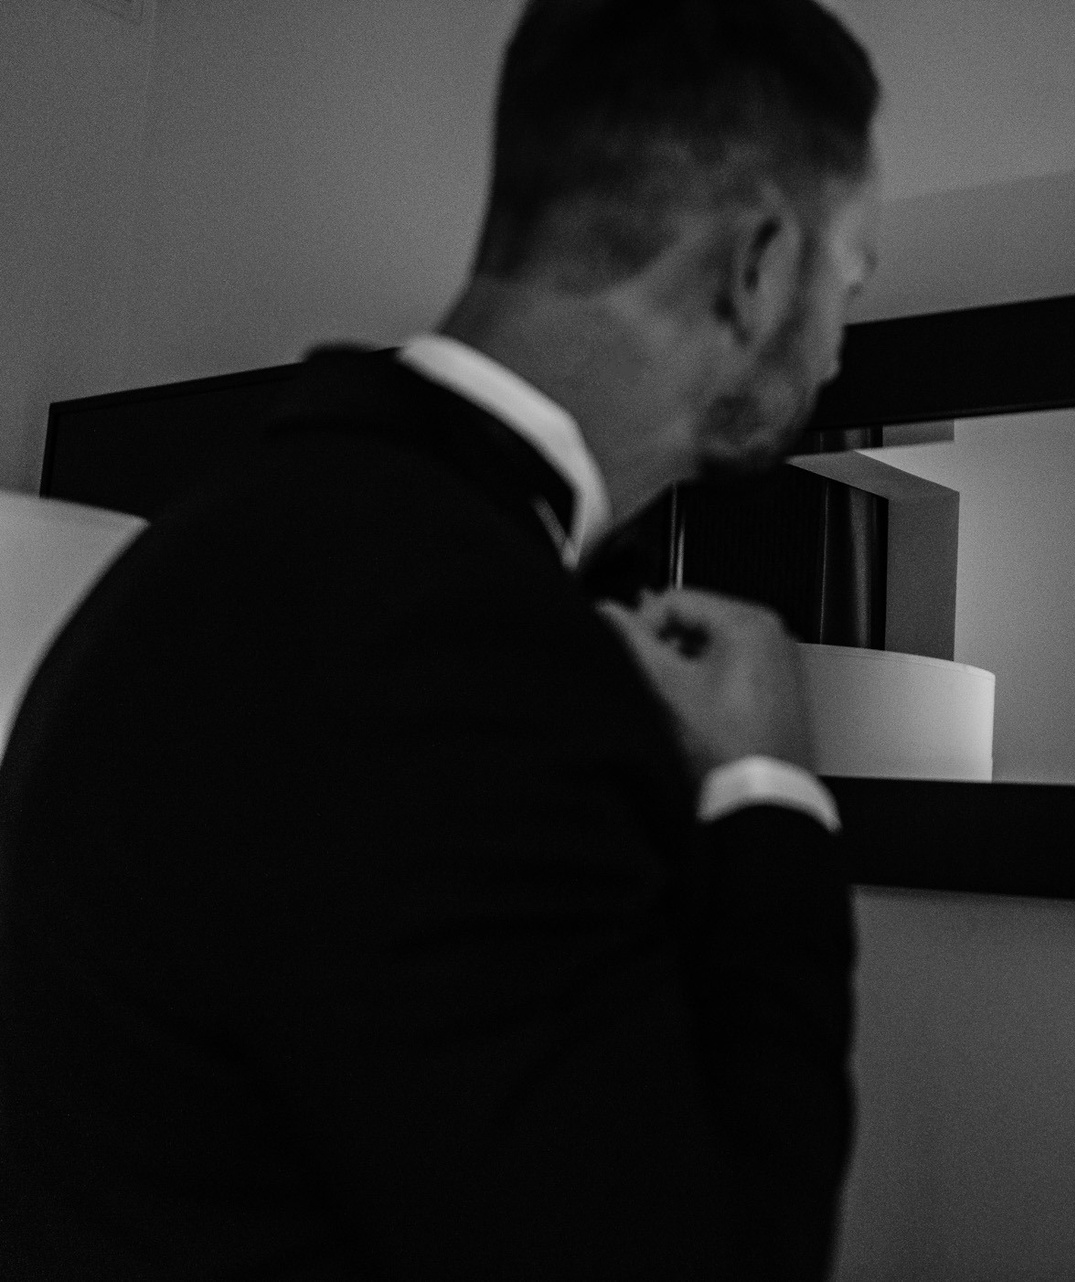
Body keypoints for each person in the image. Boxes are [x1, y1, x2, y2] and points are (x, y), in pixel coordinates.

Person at [0, 3, 878, 1278]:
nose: (840, 346)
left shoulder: (228, 541)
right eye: (851, 280)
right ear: (758, 267)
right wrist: (773, 799)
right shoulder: (467, 648)